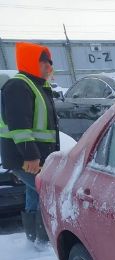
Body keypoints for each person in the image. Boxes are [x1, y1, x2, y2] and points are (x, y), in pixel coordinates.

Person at [0, 42, 60, 243]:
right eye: (45, 64)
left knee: (34, 192)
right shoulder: (19, 85)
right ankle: (44, 240)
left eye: (50, 63)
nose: (49, 68)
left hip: (37, 156)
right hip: (25, 157)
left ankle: (36, 239)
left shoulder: (37, 85)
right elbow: (19, 125)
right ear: (32, 63)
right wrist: (31, 156)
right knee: (45, 191)